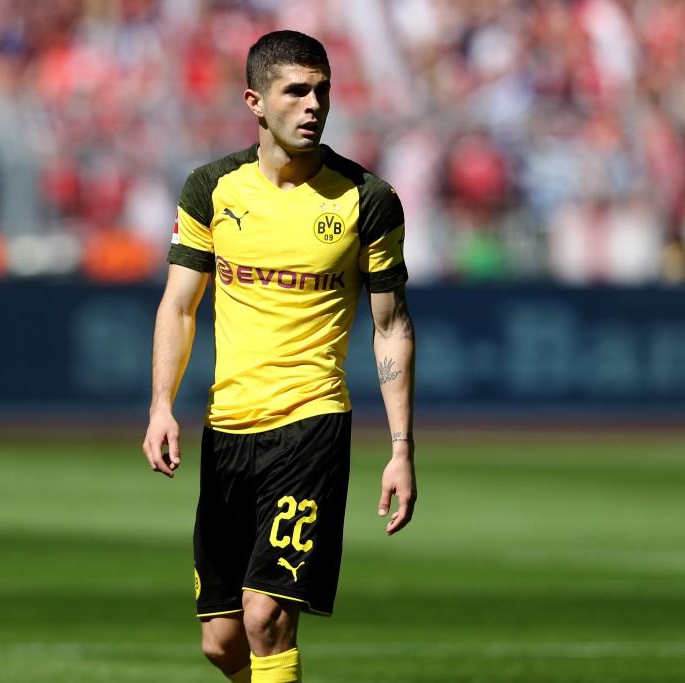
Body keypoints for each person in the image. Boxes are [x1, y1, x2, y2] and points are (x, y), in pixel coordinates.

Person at [141, 30, 417, 683]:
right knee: (222, 641)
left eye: (322, 90)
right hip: (229, 428)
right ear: (255, 101)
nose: (313, 105)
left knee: (268, 616)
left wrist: (401, 447)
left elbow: (391, 325)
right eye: (296, 91)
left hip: (311, 425)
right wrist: (160, 407)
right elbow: (179, 306)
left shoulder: (367, 199)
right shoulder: (212, 188)